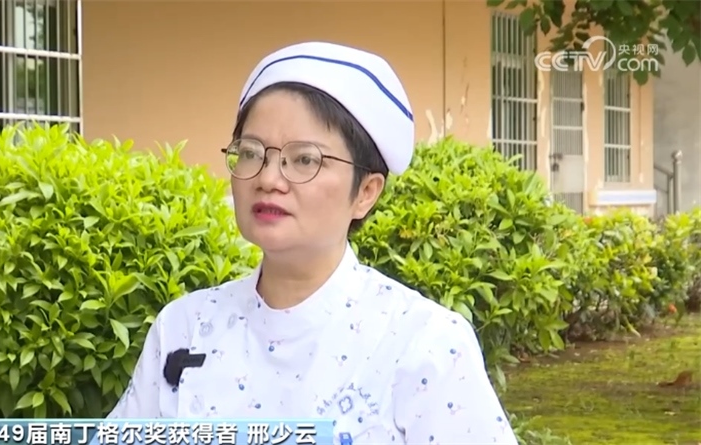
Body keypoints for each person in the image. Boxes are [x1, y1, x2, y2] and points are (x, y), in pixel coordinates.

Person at [108, 41, 519, 445]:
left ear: (366, 192)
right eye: (251, 153)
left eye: (305, 159)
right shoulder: (185, 326)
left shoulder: (423, 344)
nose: (268, 178)